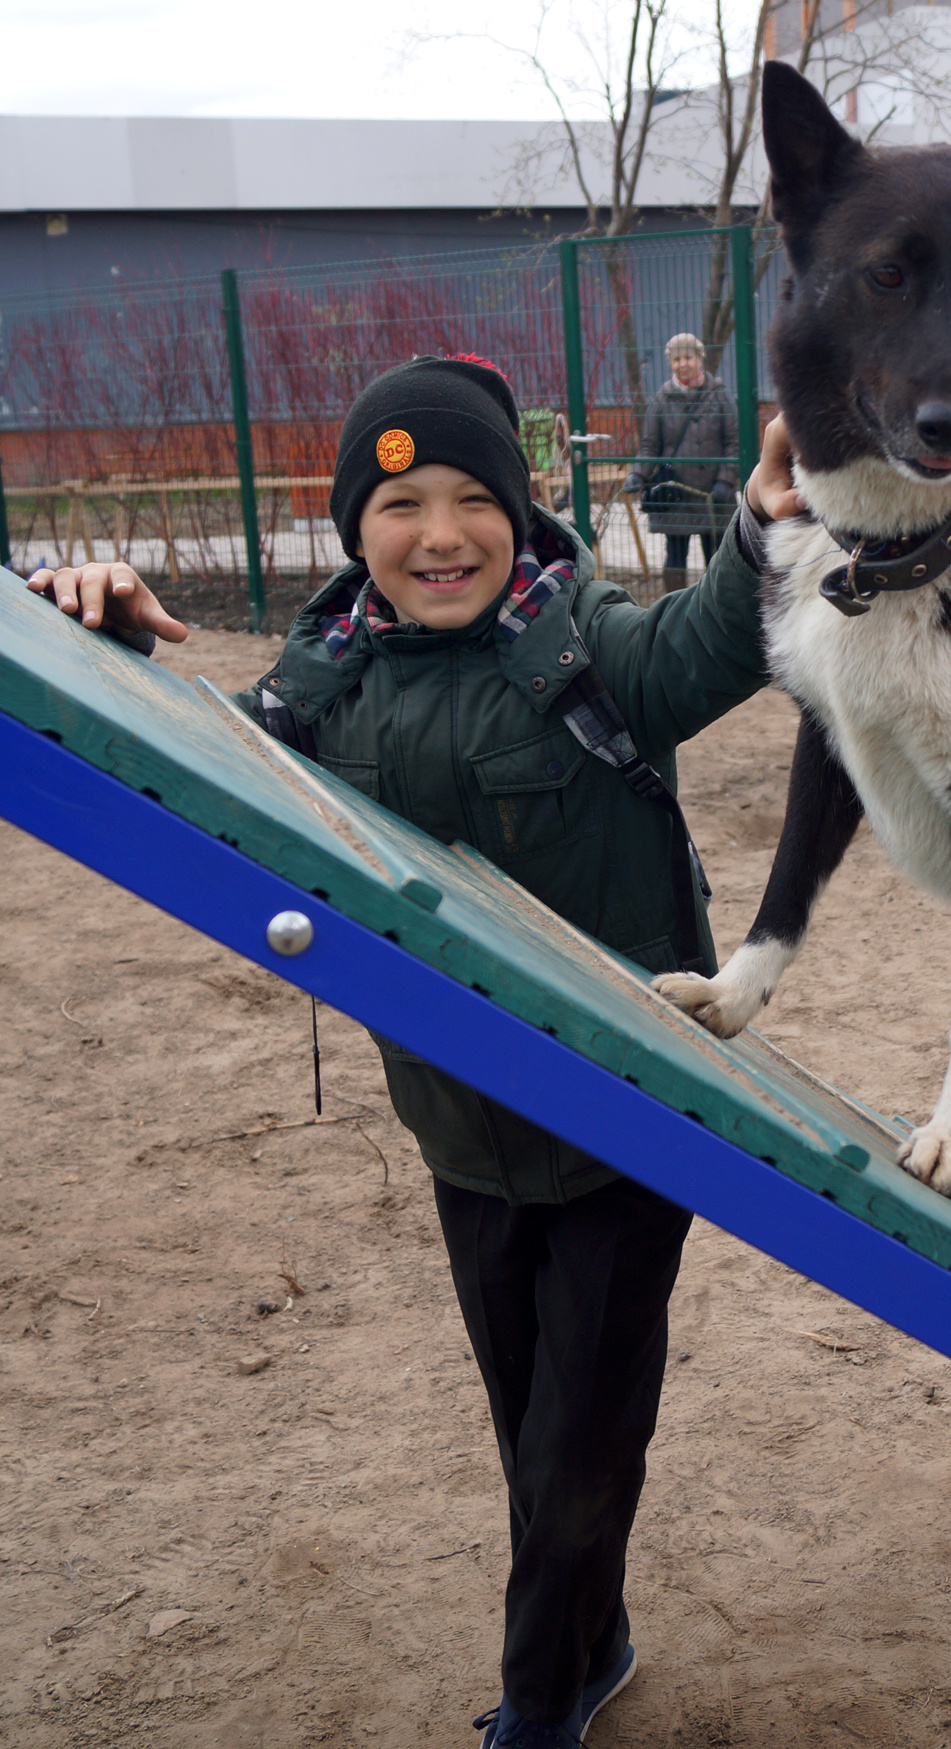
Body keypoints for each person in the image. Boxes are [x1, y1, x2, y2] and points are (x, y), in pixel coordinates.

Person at [27, 354, 803, 1749]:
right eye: (399, 507)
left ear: (519, 511)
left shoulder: (585, 646)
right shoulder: (326, 675)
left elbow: (711, 641)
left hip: (627, 1124)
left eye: (470, 501)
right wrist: (105, 648)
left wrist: (766, 522)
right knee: (529, 1423)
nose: (439, 535)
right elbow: (205, 772)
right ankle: (598, 1642)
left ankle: (539, 1706)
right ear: (355, 529)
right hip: (459, 1127)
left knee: (578, 1444)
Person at [623, 334, 738, 590]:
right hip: (676, 493)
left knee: (717, 559)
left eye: (688, 357)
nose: (682, 364)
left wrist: (726, 480)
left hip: (712, 495)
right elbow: (649, 444)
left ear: (700, 358)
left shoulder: (720, 396)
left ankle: (716, 607)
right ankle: (674, 606)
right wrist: (637, 474)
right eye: (676, 359)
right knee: (675, 558)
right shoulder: (662, 399)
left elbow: (734, 442)